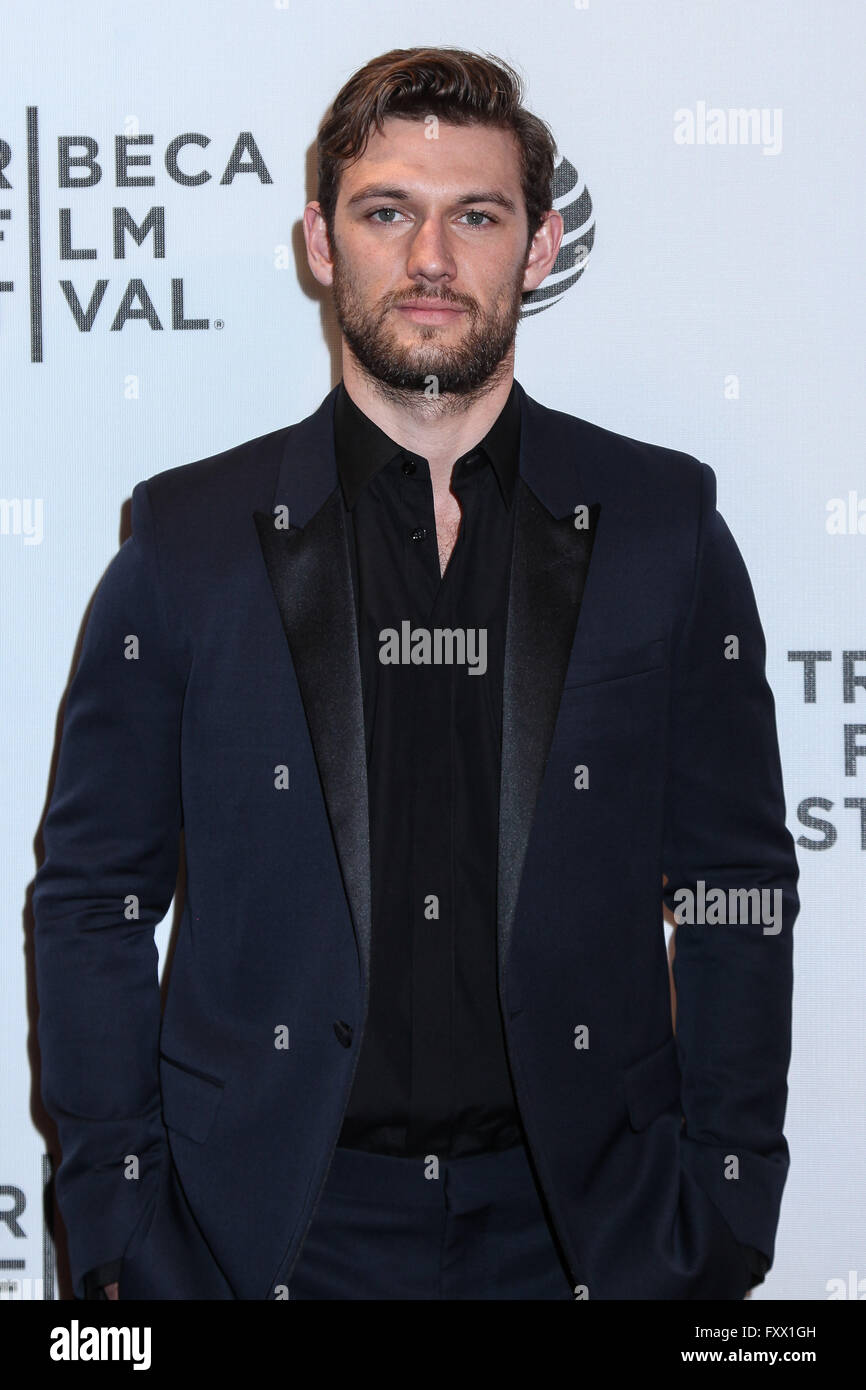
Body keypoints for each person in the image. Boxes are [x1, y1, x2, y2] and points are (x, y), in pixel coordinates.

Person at [32, 46, 798, 1301]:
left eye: (474, 215)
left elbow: (734, 889)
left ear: (539, 247)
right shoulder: (186, 542)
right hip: (264, 1232)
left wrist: (720, 1206)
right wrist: (120, 1232)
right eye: (386, 211)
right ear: (321, 245)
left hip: (582, 1233)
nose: (429, 257)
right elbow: (91, 900)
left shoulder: (663, 529)